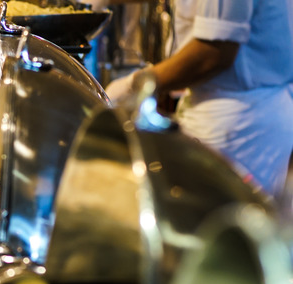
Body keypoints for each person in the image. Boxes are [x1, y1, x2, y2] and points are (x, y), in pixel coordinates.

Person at [106, 0, 293, 197]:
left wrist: (137, 83)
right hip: (247, 114)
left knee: (216, 217)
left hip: (234, 124)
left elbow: (213, 52)